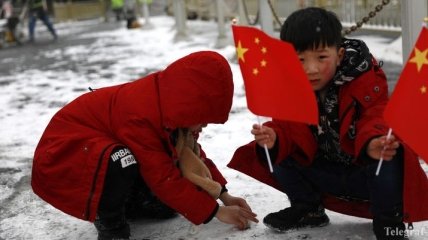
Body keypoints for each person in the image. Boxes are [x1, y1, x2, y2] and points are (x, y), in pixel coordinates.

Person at [228, 7, 428, 240]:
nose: (311, 69)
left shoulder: (364, 78)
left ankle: (388, 223)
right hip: (323, 172)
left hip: (363, 174)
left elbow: (376, 116)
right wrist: (275, 138)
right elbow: (289, 128)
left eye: (321, 57)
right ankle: (308, 208)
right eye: (300, 59)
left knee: (389, 152)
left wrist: (373, 143)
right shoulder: (289, 84)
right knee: (272, 148)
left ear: (339, 55)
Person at [32, 51, 259, 240]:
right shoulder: (139, 113)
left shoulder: (172, 111)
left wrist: (224, 196)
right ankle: (111, 223)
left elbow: (192, 157)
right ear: (191, 105)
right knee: (122, 159)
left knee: (165, 207)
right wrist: (216, 212)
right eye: (204, 119)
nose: (205, 126)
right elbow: (161, 176)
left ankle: (129, 201)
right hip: (66, 156)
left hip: (97, 153)